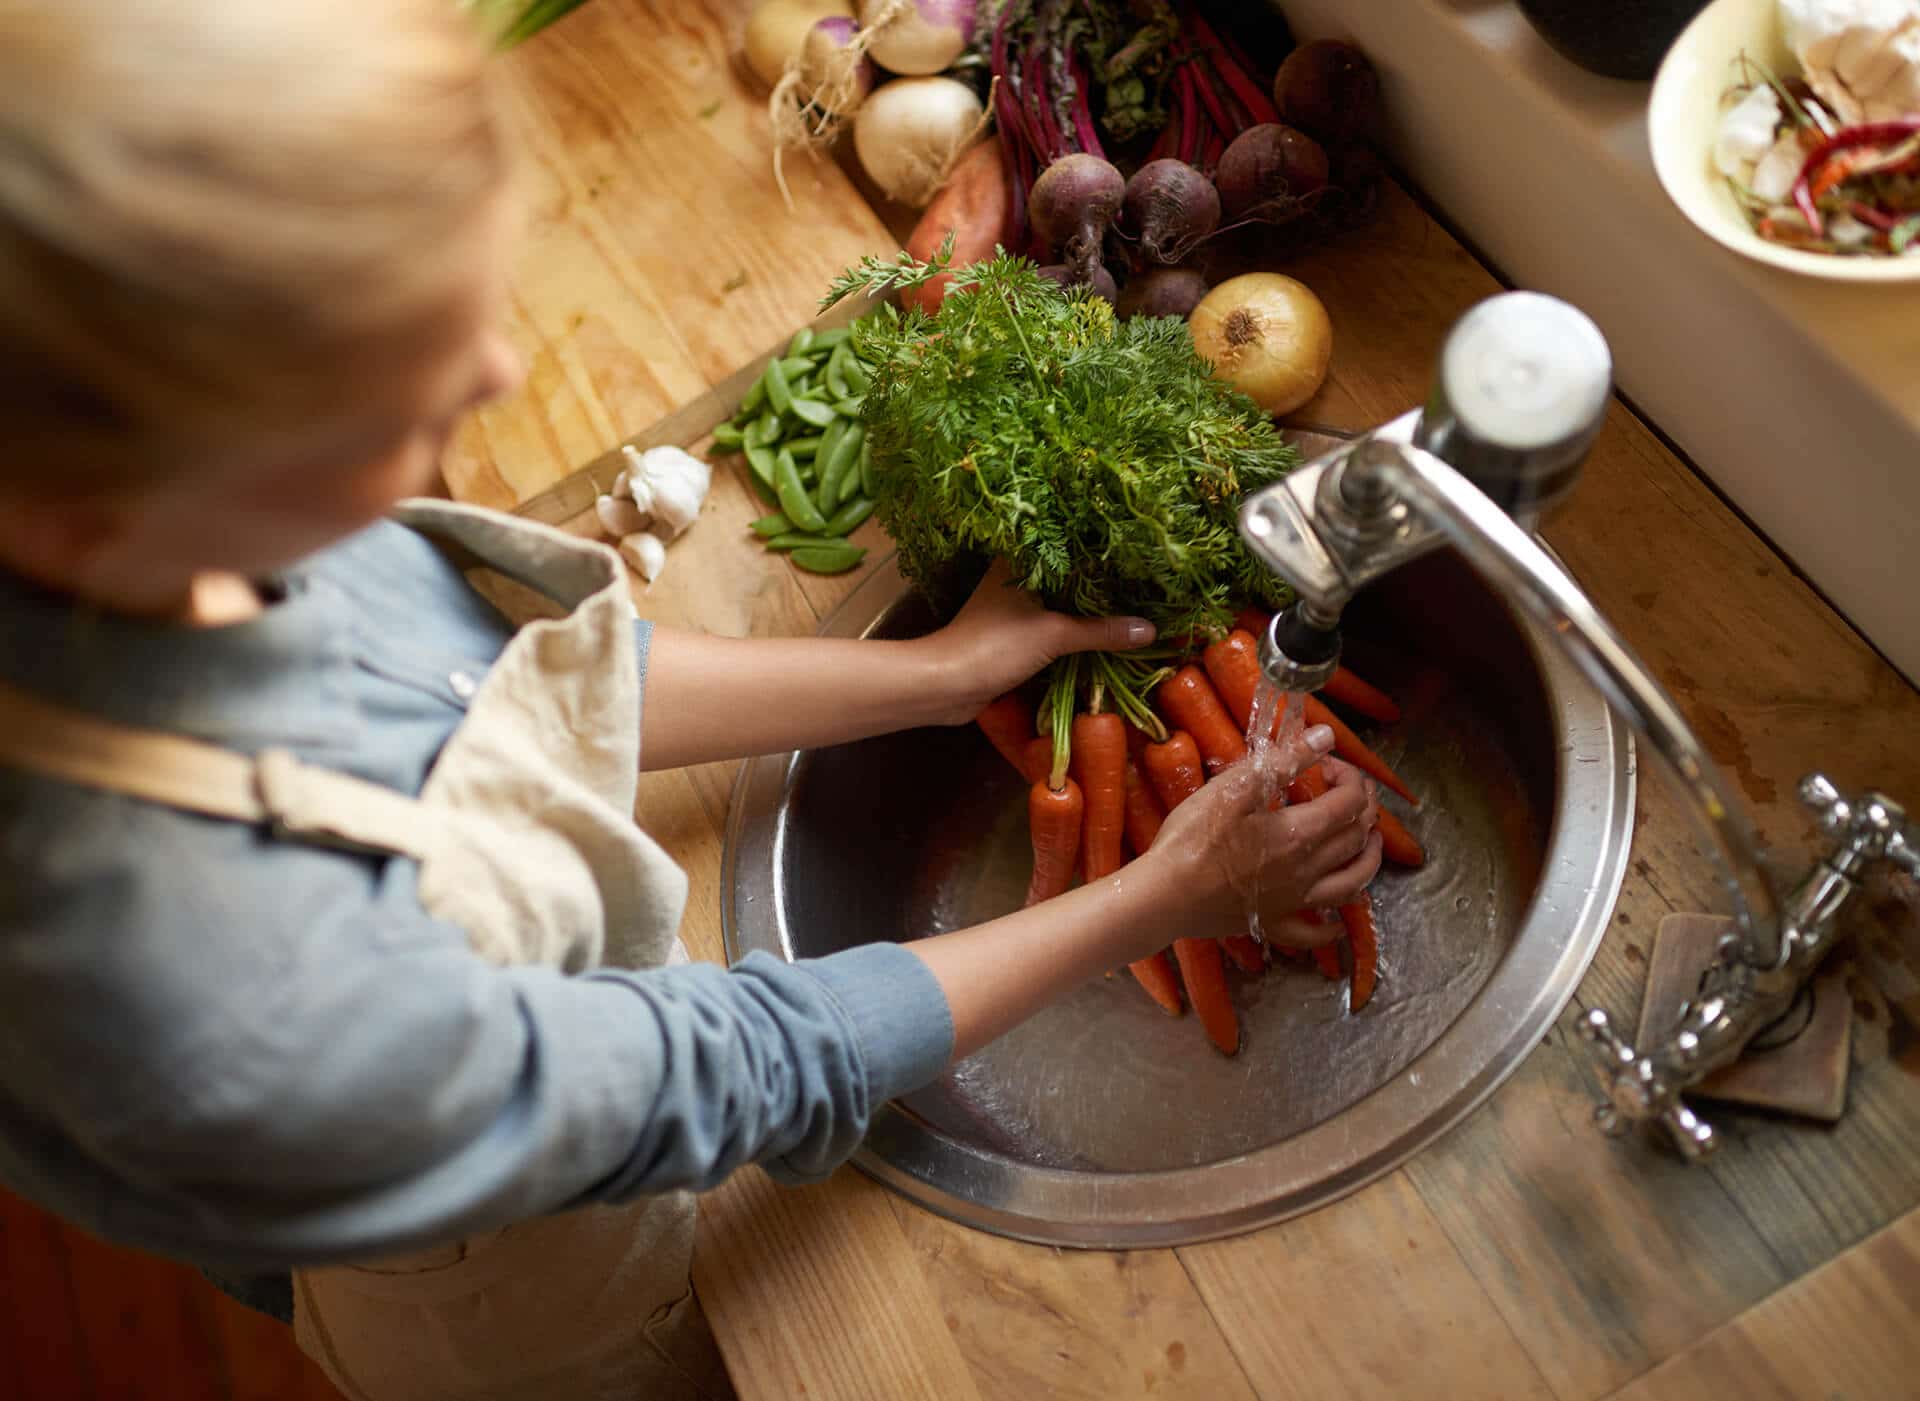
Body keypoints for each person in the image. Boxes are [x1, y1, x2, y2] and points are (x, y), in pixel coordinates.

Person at [0, 1, 1384, 1396]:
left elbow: (529, 681)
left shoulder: (158, 512)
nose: (495, 372)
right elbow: (734, 1068)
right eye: (387, 368)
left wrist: (939, 672)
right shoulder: (214, 985)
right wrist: (1165, 891)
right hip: (545, 1313)